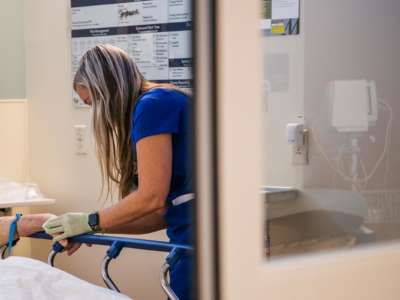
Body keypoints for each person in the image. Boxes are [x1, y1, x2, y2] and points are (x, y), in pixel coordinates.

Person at [0, 44, 194, 299]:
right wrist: (91, 227)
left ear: (106, 91)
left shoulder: (153, 105)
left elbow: (151, 198)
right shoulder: (163, 101)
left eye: (91, 102)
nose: (95, 113)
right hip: (190, 238)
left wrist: (90, 220)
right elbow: (160, 213)